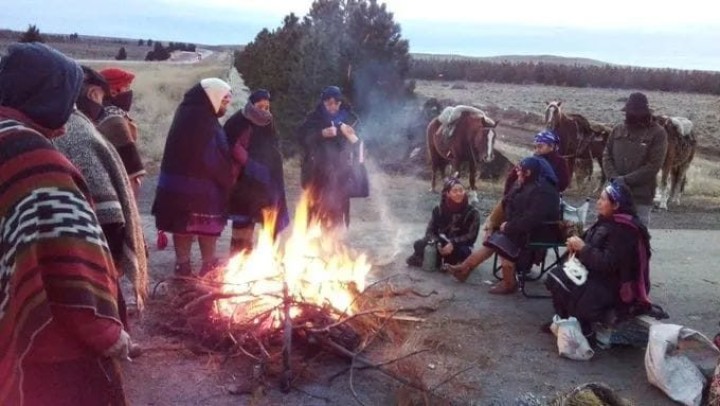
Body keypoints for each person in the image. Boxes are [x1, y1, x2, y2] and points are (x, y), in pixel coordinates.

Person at [0, 42, 129, 405]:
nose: (72, 110)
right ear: (46, 93)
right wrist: (106, 333)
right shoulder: (31, 157)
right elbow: (69, 264)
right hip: (49, 352)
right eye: (67, 98)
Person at [57, 65, 148, 355]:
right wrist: (122, 231)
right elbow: (126, 180)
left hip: (61, 231)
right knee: (97, 288)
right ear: (94, 92)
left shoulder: (45, 123)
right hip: (86, 233)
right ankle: (108, 341)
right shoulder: (80, 130)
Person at [152, 78, 243, 277]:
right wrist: (227, 178)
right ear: (213, 97)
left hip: (177, 186)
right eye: (224, 102)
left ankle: (182, 265)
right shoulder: (203, 121)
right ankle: (207, 265)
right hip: (199, 188)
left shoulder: (188, 112)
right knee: (205, 226)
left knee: (183, 225)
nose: (225, 107)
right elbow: (210, 158)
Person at [545, 180, 653, 336]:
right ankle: (566, 322)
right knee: (557, 276)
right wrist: (576, 248)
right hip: (598, 276)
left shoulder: (625, 230)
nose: (598, 203)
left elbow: (608, 263)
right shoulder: (608, 222)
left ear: (615, 206)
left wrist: (582, 248)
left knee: (563, 280)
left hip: (614, 286)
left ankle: (582, 328)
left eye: (603, 200)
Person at [447, 156, 561, 293]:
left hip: (540, 232)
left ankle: (509, 283)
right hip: (520, 227)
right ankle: (464, 268)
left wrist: (509, 226)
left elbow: (532, 219)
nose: (517, 173)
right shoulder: (522, 183)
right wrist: (496, 223)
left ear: (529, 172)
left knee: (502, 241)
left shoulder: (544, 192)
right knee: (493, 240)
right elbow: (506, 201)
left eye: (520, 171)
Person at [223, 89, 289, 255]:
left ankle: (266, 257)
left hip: (266, 180)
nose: (264, 111)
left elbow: (274, 145)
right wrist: (251, 165)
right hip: (243, 181)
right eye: (260, 106)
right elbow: (229, 145)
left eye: (267, 107)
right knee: (243, 219)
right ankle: (239, 257)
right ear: (251, 104)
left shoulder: (268, 122)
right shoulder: (238, 120)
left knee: (268, 216)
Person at [483, 130, 569, 242]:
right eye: (535, 146)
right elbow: (511, 177)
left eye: (540, 146)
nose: (537, 149)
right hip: (524, 197)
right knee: (506, 202)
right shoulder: (533, 159)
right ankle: (490, 230)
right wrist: (510, 194)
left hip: (542, 201)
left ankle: (498, 233)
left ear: (551, 146)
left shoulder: (559, 162)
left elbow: (563, 183)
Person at [296, 85, 360, 230]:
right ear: (323, 103)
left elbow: (360, 146)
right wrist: (321, 134)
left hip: (341, 174)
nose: (333, 106)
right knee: (315, 210)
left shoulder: (351, 119)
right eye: (328, 103)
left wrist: (351, 136)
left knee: (338, 212)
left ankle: (335, 245)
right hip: (316, 173)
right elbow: (302, 138)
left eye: (336, 103)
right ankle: (312, 244)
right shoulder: (313, 118)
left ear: (340, 102)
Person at [602, 92, 668, 227]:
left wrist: (625, 180)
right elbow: (607, 155)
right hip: (614, 194)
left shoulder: (657, 133)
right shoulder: (618, 130)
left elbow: (653, 166)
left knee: (637, 238)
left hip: (640, 196)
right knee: (610, 236)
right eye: (629, 111)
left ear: (645, 112)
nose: (632, 115)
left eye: (636, 112)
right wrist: (614, 178)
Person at [406, 177, 481, 268]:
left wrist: (453, 243)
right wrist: (437, 243)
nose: (459, 194)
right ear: (448, 193)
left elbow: (471, 236)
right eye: (455, 191)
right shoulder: (439, 209)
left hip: (460, 245)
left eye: (461, 190)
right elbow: (430, 231)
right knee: (419, 244)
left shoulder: (472, 212)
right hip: (441, 242)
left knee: (457, 254)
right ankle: (439, 260)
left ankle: (436, 261)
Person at [97, 67, 146, 199]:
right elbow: (132, 176)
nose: (129, 92)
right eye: (127, 87)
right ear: (113, 92)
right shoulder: (115, 121)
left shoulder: (95, 114)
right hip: (117, 195)